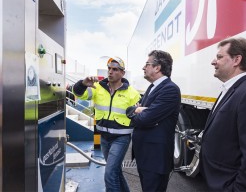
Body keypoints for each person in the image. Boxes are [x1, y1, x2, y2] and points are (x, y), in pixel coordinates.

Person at [199, 37, 246, 191]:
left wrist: (237, 189)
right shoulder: (232, 90)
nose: (214, 61)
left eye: (219, 57)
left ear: (237, 60)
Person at [72, 57, 140, 192]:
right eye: (109, 68)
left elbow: (139, 115)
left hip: (121, 138)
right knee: (115, 171)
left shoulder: (132, 93)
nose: (110, 72)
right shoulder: (97, 87)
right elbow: (78, 93)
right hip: (104, 137)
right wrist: (83, 83)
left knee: (109, 173)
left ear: (122, 73)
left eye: (115, 69)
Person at [126, 50, 181, 192]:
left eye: (147, 64)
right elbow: (130, 110)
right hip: (145, 155)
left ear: (157, 68)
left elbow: (144, 119)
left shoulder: (170, 89)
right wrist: (137, 110)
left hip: (155, 159)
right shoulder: (152, 87)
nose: (143, 68)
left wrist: (140, 111)